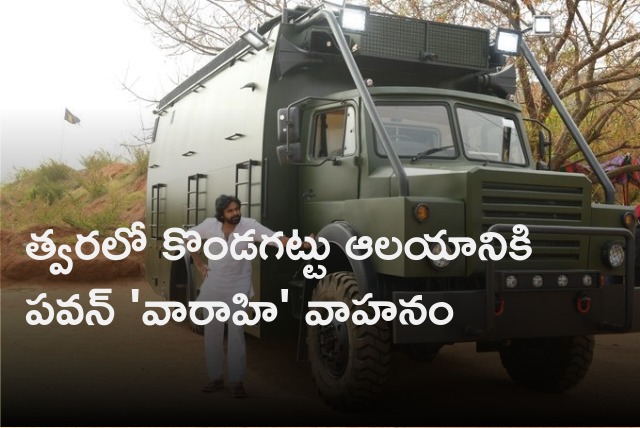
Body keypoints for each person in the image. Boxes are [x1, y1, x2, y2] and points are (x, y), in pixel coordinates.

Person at [188, 194, 311, 398]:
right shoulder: (209, 226)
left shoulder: (249, 226)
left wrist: (304, 244)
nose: (236, 213)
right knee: (213, 333)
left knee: (236, 333)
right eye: (230, 211)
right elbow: (189, 238)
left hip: (238, 286)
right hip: (214, 286)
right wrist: (199, 264)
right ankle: (215, 378)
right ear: (221, 214)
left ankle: (237, 381)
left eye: (237, 209)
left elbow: (276, 240)